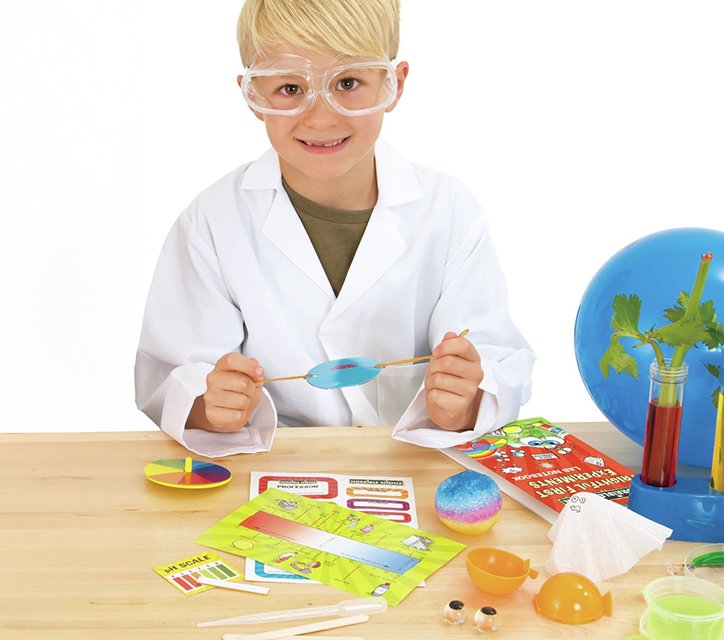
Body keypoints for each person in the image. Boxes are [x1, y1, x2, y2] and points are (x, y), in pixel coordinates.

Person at [135, 0, 534, 457]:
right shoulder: (211, 221)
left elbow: (494, 362)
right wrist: (212, 405)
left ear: (394, 83)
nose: (321, 118)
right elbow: (172, 377)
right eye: (289, 87)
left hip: (416, 467)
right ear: (252, 95)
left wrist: (462, 403)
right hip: (276, 470)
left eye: (348, 83)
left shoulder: (448, 212)